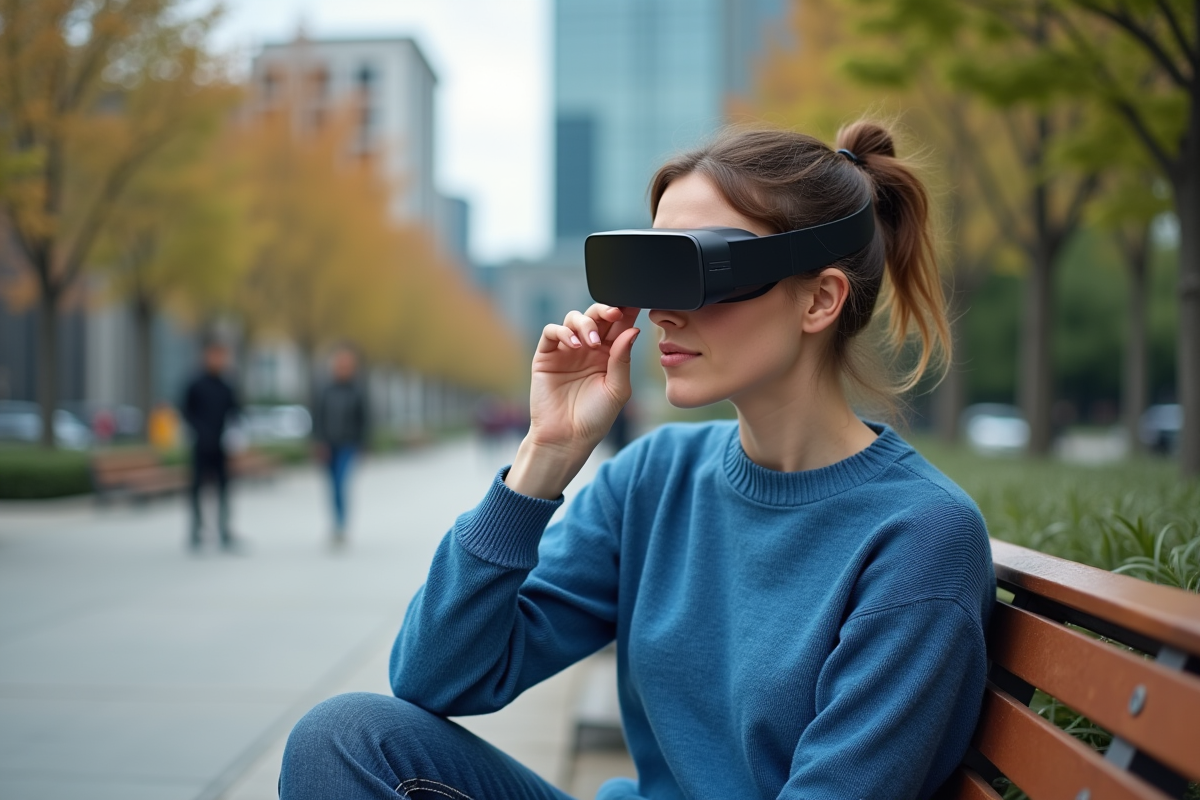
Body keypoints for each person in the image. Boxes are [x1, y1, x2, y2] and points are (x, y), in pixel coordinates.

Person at [279, 121, 994, 800]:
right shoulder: (655, 477)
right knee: (343, 739)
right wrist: (546, 455)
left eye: (700, 268)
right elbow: (436, 676)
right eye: (651, 271)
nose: (661, 312)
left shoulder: (919, 538)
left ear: (820, 299)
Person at [181, 339, 240, 550]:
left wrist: (234, 435)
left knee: (224, 488)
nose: (218, 360)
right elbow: (186, 411)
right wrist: (200, 431)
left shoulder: (227, 384)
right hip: (200, 445)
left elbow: (236, 412)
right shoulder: (195, 384)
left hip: (221, 446)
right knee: (197, 488)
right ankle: (196, 531)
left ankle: (224, 531)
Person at [312, 346, 369, 544]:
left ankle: (341, 524)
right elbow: (317, 417)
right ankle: (336, 523)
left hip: (348, 444)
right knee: (331, 486)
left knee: (340, 483)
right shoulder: (324, 390)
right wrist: (318, 442)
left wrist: (363, 444)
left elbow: (365, 420)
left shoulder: (358, 391)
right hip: (329, 444)